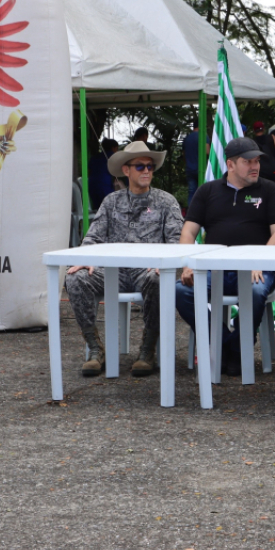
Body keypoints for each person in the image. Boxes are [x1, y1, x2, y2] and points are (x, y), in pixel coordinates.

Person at [66, 141, 184, 378]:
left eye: (150, 166)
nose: (147, 171)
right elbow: (93, 236)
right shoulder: (111, 202)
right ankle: (94, 348)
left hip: (148, 271)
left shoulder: (165, 201)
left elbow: (177, 241)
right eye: (139, 166)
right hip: (114, 272)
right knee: (75, 277)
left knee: (158, 279)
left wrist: (165, 263)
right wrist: (85, 257)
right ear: (126, 171)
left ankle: (147, 350)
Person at [175, 137, 275, 376]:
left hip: (255, 268)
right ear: (230, 165)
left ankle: (237, 348)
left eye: (257, 160)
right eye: (248, 161)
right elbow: (188, 231)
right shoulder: (208, 191)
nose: (255, 166)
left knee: (257, 291)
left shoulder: (270, 190)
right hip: (212, 268)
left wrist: (258, 260)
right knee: (180, 290)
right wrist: (187, 264)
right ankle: (222, 342)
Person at [87, 138, 119, 211]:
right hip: (105, 186)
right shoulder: (112, 157)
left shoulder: (94, 157)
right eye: (116, 149)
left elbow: (89, 172)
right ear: (113, 148)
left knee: (98, 209)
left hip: (92, 186)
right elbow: (116, 173)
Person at [251, 120, 275, 184]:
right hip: (273, 168)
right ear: (263, 129)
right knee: (274, 189)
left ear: (254, 131)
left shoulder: (252, 142)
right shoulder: (272, 137)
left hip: (260, 170)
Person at [183, 127, 200, 205]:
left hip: (189, 168)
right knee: (202, 191)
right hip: (200, 169)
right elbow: (207, 151)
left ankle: (190, 213)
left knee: (191, 192)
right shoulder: (202, 136)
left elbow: (184, 155)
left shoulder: (187, 138)